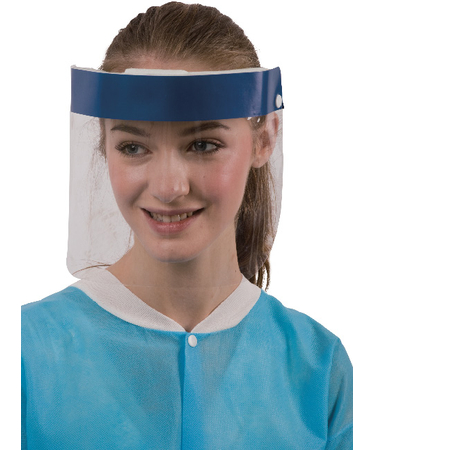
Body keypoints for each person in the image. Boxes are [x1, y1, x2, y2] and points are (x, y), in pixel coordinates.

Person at [21, 2, 353, 449]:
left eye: (202, 145)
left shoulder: (319, 371)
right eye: (133, 147)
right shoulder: (25, 356)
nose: (168, 187)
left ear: (265, 139)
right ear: (102, 143)